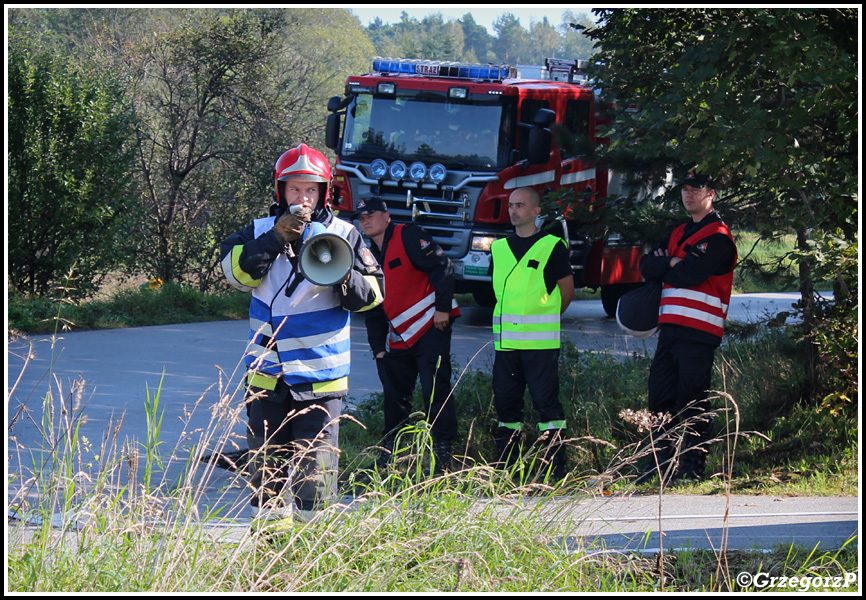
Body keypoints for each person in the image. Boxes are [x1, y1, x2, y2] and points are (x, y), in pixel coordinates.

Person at [220, 143, 383, 521]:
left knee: (317, 478)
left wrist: (343, 273)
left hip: (321, 380)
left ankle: (313, 559)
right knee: (267, 474)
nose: (303, 198)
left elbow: (374, 296)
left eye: (311, 189)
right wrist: (275, 239)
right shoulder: (258, 230)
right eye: (295, 189)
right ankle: (269, 554)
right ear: (281, 191)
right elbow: (235, 275)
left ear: (323, 192)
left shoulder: (345, 233)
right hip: (267, 378)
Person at [637, 171, 737, 484]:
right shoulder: (678, 232)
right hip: (670, 330)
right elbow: (645, 267)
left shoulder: (719, 236)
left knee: (692, 401)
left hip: (699, 333)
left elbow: (690, 275)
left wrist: (671, 264)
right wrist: (670, 263)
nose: (689, 194)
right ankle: (658, 466)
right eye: (685, 189)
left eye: (697, 189)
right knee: (660, 398)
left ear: (712, 194)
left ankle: (691, 468)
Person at [355, 197, 461, 475]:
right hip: (399, 335)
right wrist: (377, 347)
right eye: (361, 217)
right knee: (394, 397)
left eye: (371, 215)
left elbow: (443, 267)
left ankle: (443, 456)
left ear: (386, 216)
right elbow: (373, 304)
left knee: (434, 390)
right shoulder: (367, 255)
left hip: (431, 326)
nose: (365, 220)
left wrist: (442, 309)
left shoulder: (409, 234)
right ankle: (394, 457)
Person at [489, 187, 575, 481]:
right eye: (511, 205)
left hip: (540, 345)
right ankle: (506, 470)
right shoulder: (498, 249)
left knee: (547, 406)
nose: (513, 210)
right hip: (506, 346)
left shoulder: (552, 246)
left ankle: (554, 469)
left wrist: (546, 318)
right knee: (506, 407)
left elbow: (567, 291)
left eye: (520, 205)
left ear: (536, 211)